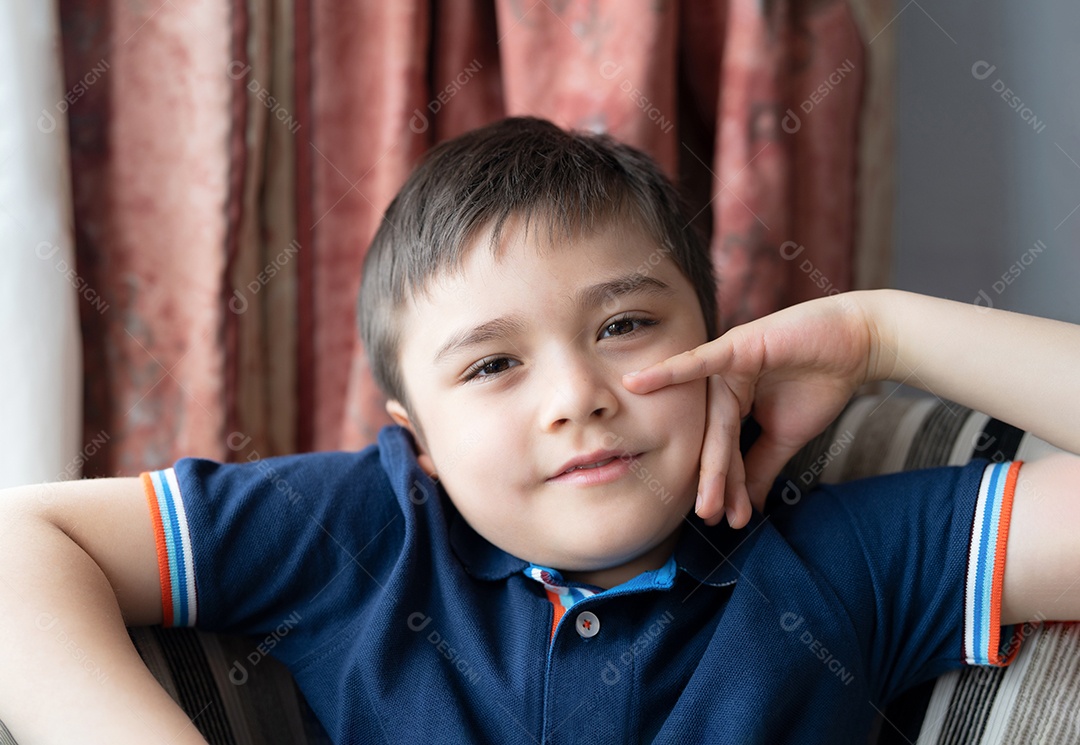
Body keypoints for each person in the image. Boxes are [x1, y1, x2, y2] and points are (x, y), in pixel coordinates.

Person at [1, 117, 1077, 744]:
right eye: (492, 363)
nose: (577, 394)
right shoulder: (368, 528)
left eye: (623, 324)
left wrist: (876, 328)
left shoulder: (840, 560)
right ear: (416, 436)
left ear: (720, 346)